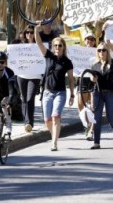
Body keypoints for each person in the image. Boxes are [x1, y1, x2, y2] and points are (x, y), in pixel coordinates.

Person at [34, 23, 75, 151]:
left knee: (56, 116)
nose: (57, 47)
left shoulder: (67, 62)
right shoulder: (49, 56)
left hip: (60, 93)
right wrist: (36, 29)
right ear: (53, 47)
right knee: (47, 120)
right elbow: (39, 43)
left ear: (63, 47)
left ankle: (54, 143)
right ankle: (55, 136)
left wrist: (72, 94)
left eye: (60, 45)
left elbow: (71, 79)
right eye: (55, 45)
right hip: (47, 92)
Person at [89, 42, 113, 149]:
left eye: (104, 50)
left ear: (107, 52)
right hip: (97, 93)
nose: (101, 52)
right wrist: (93, 79)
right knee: (97, 118)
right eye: (99, 50)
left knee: (110, 118)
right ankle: (97, 142)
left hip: (110, 92)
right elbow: (92, 79)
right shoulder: (94, 64)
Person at [13, 25, 41, 133]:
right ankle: (26, 122)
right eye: (27, 32)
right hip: (22, 75)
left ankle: (29, 122)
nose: (29, 34)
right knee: (24, 99)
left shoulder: (38, 45)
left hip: (34, 76)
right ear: (25, 34)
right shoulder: (20, 46)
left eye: (31, 32)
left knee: (30, 98)